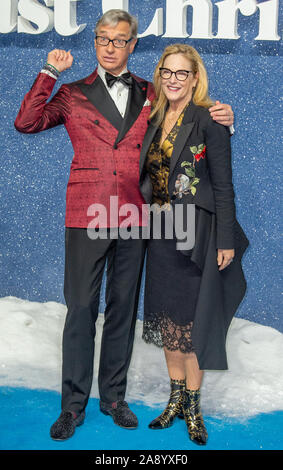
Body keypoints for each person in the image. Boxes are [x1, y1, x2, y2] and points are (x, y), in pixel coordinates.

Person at [14, 9, 234, 441]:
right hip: (87, 213)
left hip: (136, 216)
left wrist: (224, 115)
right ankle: (73, 406)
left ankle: (113, 398)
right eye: (102, 39)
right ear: (94, 42)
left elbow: (190, 118)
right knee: (80, 309)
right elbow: (26, 122)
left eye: (119, 40)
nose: (110, 47)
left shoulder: (154, 91)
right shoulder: (72, 93)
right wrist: (47, 72)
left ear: (133, 45)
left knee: (122, 311)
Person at [139, 44, 249, 445]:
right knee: (168, 321)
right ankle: (174, 401)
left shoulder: (209, 119)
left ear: (195, 78)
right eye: (167, 71)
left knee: (193, 322)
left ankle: (193, 406)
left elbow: (223, 185)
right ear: (159, 73)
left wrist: (225, 241)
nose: (173, 79)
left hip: (198, 236)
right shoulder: (151, 116)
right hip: (161, 235)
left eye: (182, 73)